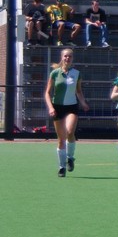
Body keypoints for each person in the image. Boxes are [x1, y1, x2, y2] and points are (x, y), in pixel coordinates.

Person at [44, 47, 90, 177]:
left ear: (72, 58)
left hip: (71, 107)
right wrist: (51, 108)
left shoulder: (77, 73)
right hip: (57, 107)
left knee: (70, 132)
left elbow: (79, 91)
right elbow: (47, 93)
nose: (67, 58)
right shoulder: (55, 73)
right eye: (65, 56)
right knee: (61, 139)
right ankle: (61, 167)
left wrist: (83, 102)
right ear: (62, 57)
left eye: (70, 56)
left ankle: (70, 157)